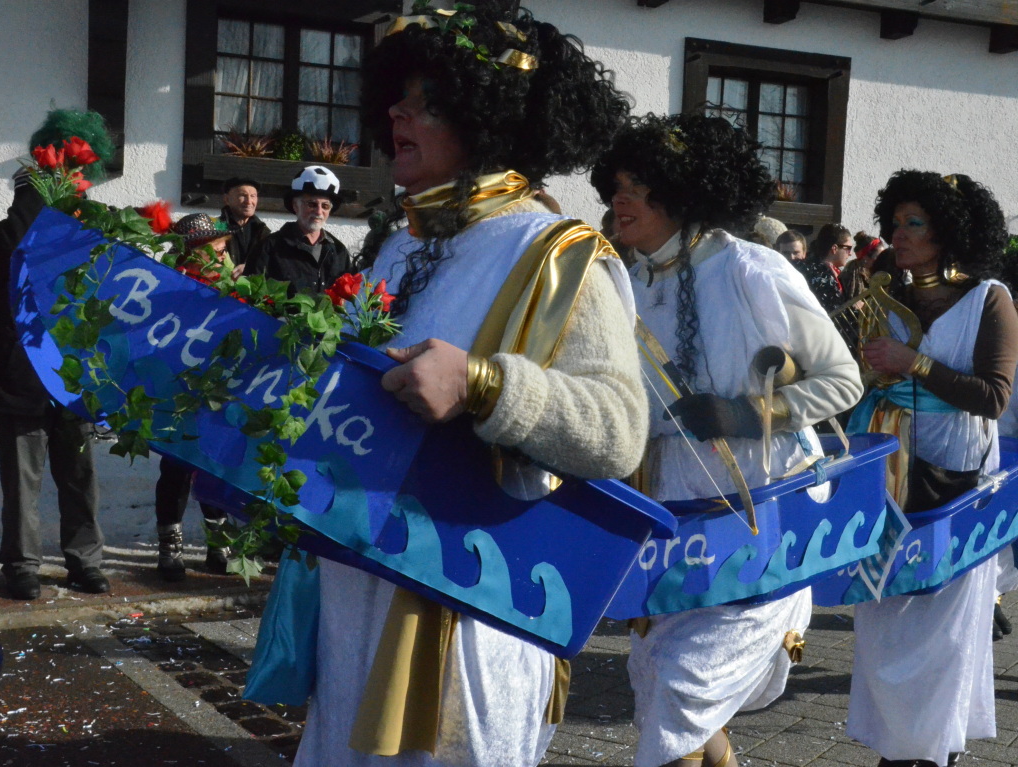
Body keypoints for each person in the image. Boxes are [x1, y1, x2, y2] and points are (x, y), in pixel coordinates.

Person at [294, 4, 645, 766]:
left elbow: (620, 429)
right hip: (359, 587)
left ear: (486, 120)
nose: (397, 111)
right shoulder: (398, 244)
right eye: (399, 96)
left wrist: (486, 385)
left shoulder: (556, 250)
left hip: (464, 609)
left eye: (427, 102)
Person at [590, 112, 863, 767]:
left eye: (636, 187)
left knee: (684, 692)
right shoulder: (627, 282)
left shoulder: (751, 271)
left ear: (681, 192)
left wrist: (742, 414)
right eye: (614, 187)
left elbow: (843, 380)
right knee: (662, 689)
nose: (617, 201)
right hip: (674, 527)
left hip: (758, 520)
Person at [845, 171, 1018, 767]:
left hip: (956, 483)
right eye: (895, 221)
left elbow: (994, 397)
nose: (898, 233)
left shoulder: (988, 297)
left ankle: (927, 750)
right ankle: (894, 745)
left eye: (913, 223)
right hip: (891, 473)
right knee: (882, 617)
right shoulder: (887, 290)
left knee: (940, 631)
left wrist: (912, 362)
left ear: (947, 233)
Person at [0, 110, 114, 600]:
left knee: (78, 479)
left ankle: (82, 560)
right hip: (16, 378)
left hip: (71, 380)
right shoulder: (1, 237)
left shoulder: (87, 241)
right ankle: (23, 564)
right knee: (25, 484)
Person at [153, 213, 237, 581]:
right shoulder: (170, 286)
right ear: (193, 251)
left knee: (213, 467)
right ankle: (170, 548)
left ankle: (218, 546)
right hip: (177, 391)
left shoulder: (231, 287)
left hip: (217, 392)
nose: (222, 256)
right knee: (174, 470)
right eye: (216, 250)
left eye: (223, 250)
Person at [242, 166, 353, 295]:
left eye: (325, 206)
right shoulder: (269, 248)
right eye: (311, 204)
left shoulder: (339, 251)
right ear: (295, 206)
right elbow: (250, 295)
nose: (319, 212)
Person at [799, 222, 853, 312]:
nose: (850, 253)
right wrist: (853, 306)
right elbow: (831, 309)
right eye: (848, 248)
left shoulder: (832, 270)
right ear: (834, 248)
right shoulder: (818, 273)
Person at [219, 176, 269, 268]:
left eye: (253, 196)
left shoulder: (263, 232)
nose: (249, 201)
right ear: (226, 199)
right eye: (243, 196)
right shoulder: (216, 228)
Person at [841, 231, 888, 300]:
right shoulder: (853, 273)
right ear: (865, 258)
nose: (883, 260)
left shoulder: (874, 272)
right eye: (879, 257)